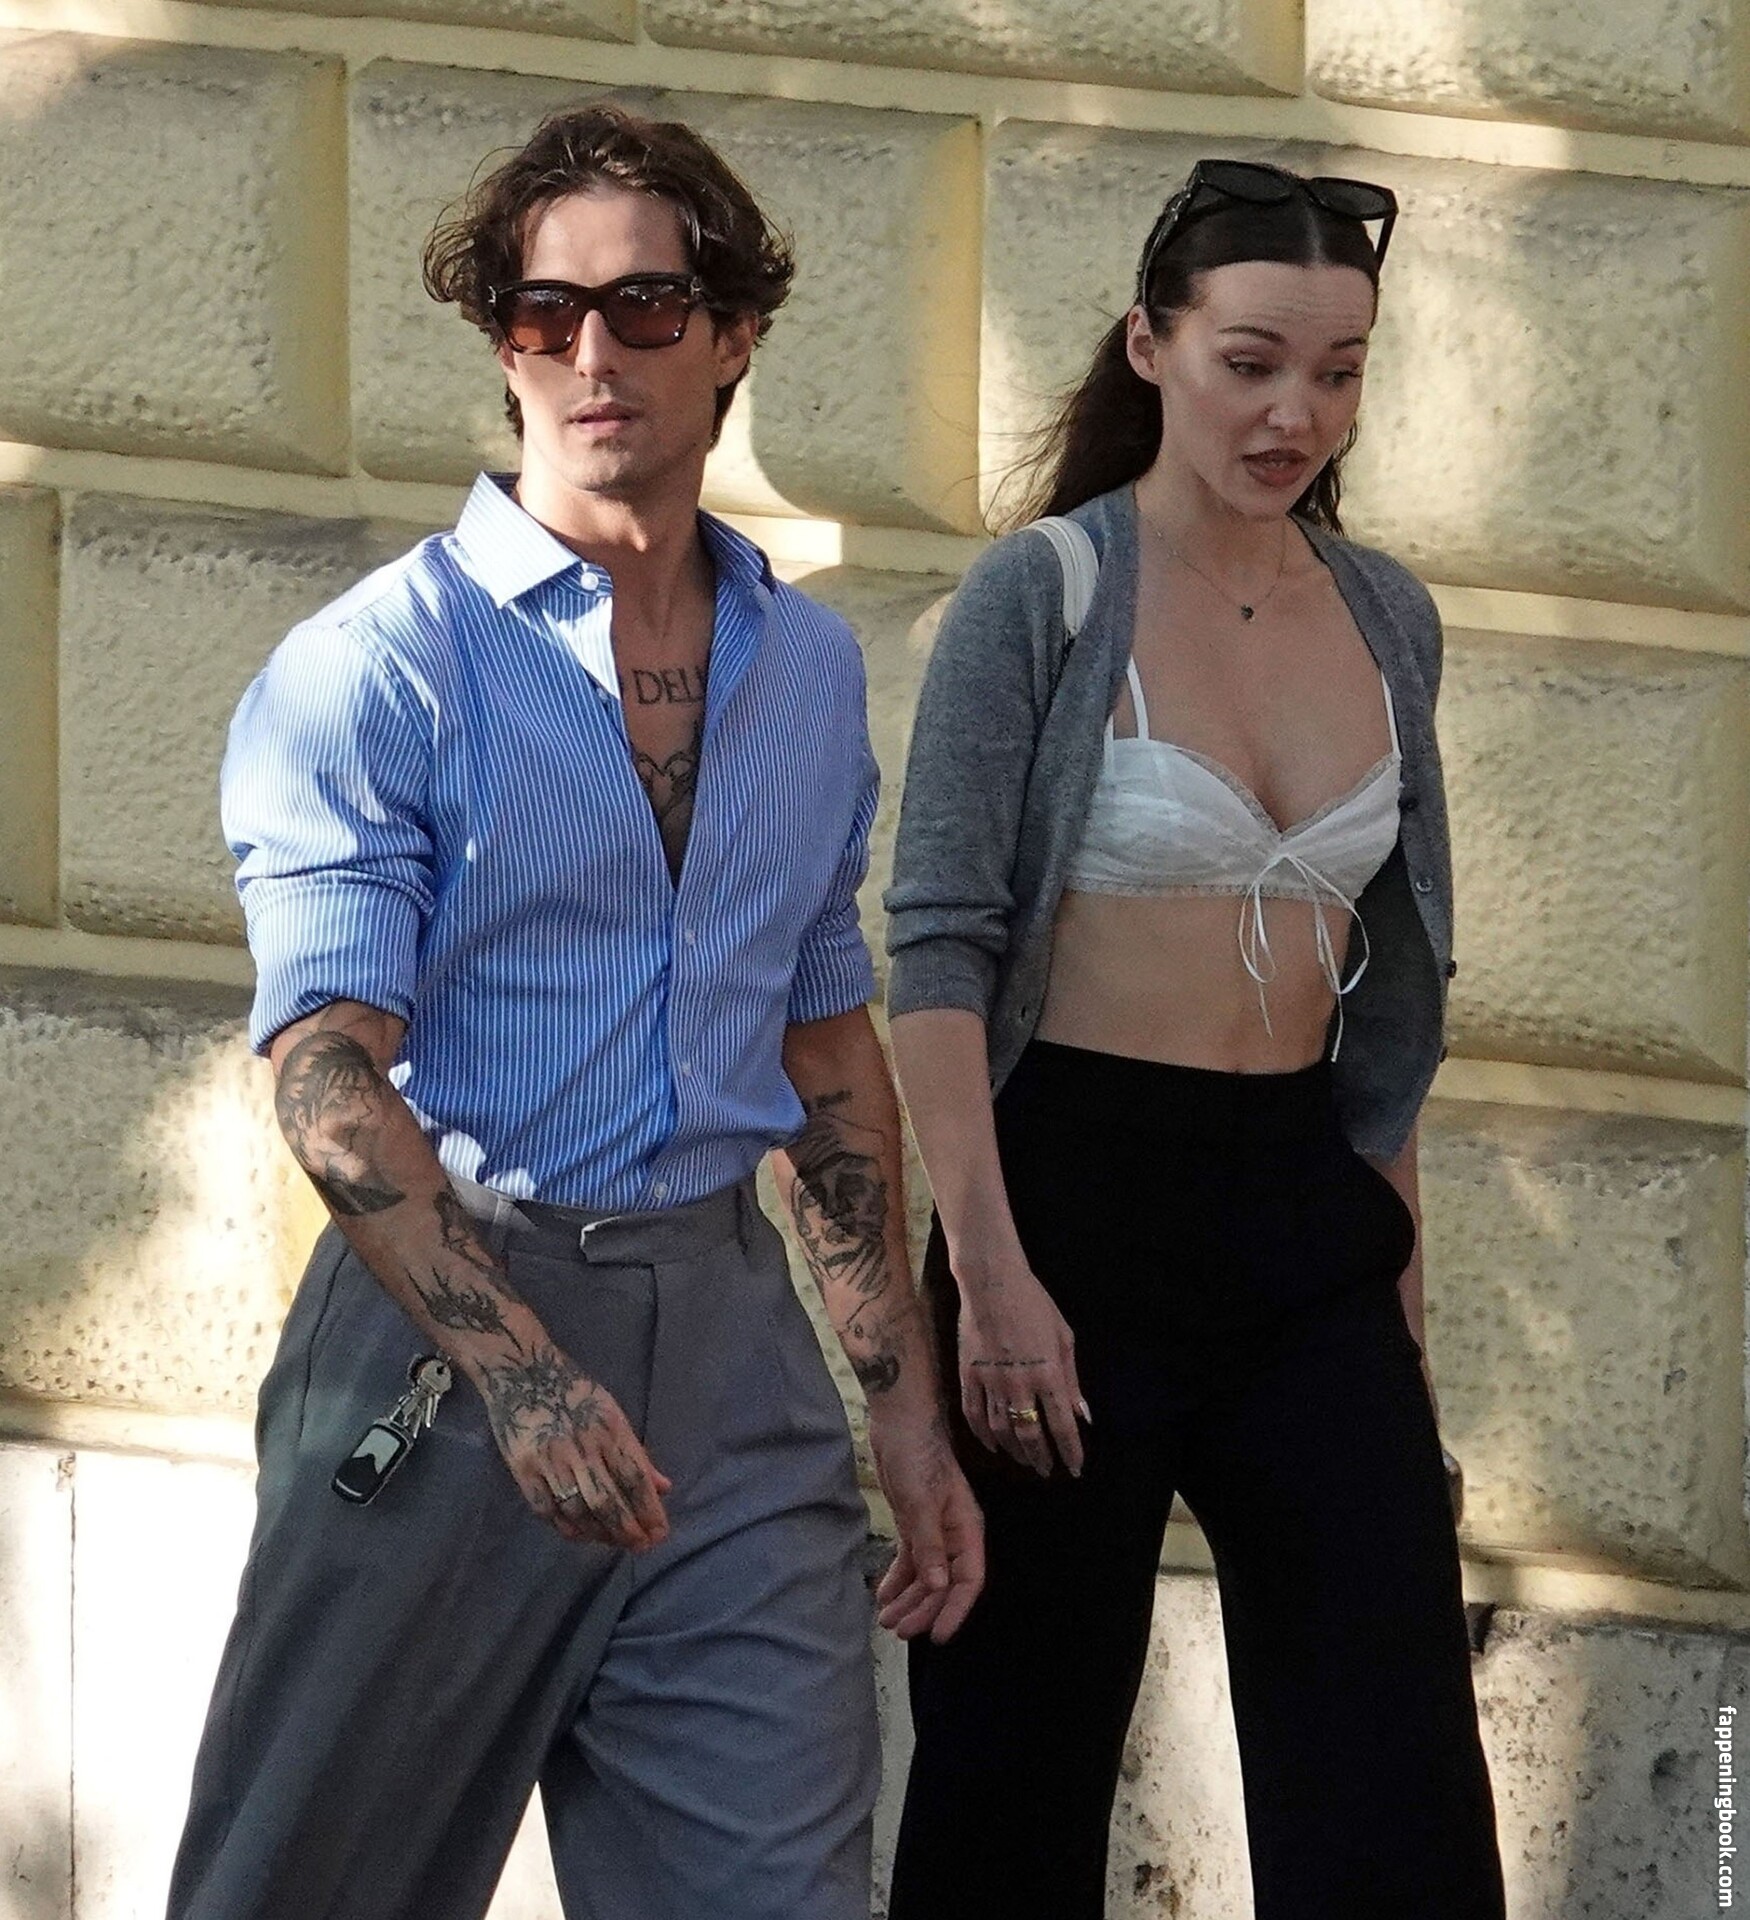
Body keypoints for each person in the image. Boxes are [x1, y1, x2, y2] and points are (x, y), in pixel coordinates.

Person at [165, 103, 982, 1920]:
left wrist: (902, 1414)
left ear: (735, 334)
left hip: (736, 1365)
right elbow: (324, 1074)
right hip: (449, 1342)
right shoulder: (375, 667)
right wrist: (521, 1374)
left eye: (644, 306)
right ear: (503, 345)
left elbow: (825, 1058)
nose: (592, 354)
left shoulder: (806, 667)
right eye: (543, 315)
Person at [880, 159, 1505, 1919]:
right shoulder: (1043, 594)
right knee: (1014, 1763)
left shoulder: (1385, 613)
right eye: (1250, 363)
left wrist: (1398, 1286)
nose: (1294, 412)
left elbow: (1388, 981)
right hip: (1065, 1213)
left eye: (1337, 371)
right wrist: (987, 1280)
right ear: (1148, 346)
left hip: (1303, 1213)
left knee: (1389, 1771)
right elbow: (936, 949)